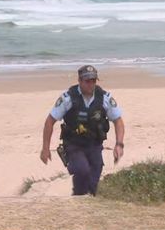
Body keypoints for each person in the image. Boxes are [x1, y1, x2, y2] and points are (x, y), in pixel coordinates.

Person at [40, 65, 125, 196]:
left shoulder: (105, 98)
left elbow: (118, 121)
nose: (91, 84)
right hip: (73, 145)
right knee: (82, 170)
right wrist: (45, 148)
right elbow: (49, 121)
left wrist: (119, 145)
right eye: (87, 81)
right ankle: (79, 199)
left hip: (94, 145)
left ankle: (86, 201)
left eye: (93, 81)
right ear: (79, 81)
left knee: (93, 183)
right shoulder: (68, 98)